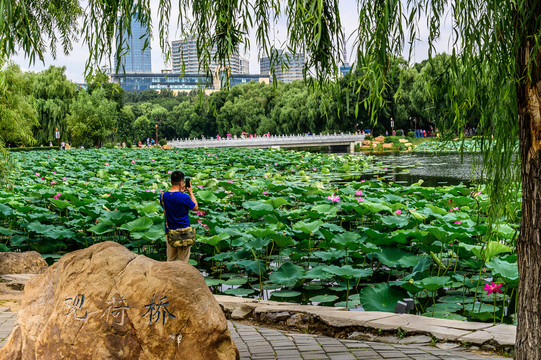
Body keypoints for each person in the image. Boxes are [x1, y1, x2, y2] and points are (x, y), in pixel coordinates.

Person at [160, 171, 199, 262]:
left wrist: (179, 192)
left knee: (170, 260)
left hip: (170, 232)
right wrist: (191, 193)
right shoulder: (184, 197)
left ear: (171, 182)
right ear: (181, 183)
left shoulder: (162, 196)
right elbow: (195, 207)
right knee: (183, 262)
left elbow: (171, 204)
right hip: (184, 233)